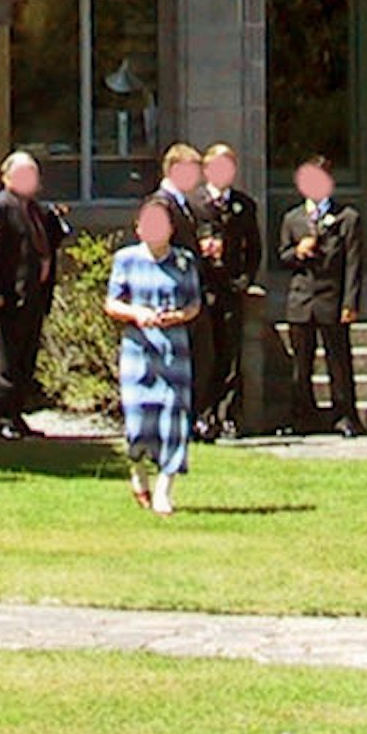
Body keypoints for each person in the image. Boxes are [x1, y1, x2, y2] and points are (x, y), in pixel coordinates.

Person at [105, 190, 202, 514]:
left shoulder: (184, 261)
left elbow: (194, 304)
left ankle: (164, 489)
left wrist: (178, 316)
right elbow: (112, 303)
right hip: (138, 350)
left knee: (173, 419)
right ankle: (137, 473)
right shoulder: (126, 259)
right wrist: (137, 314)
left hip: (174, 350)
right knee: (137, 420)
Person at [0, 149, 67, 441]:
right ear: (7, 177)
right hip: (10, 297)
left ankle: (17, 415)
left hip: (34, 296)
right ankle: (1, 419)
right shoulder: (1, 206)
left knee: (26, 360)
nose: (30, 180)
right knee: (8, 361)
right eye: (24, 174)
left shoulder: (35, 209)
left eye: (34, 174)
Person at [275, 154, 363, 437]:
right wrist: (298, 252)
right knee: (301, 362)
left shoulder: (347, 218)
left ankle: (345, 415)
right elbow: (283, 256)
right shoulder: (293, 218)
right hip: (301, 300)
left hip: (332, 298)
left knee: (338, 361)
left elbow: (353, 265)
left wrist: (350, 302)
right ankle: (302, 415)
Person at [188, 142, 260, 439]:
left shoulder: (244, 205)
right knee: (205, 354)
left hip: (230, 289)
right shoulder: (194, 204)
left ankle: (227, 415)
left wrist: (244, 280)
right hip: (203, 289)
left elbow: (254, 248)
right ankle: (202, 415)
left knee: (230, 355)